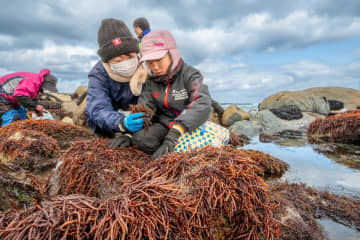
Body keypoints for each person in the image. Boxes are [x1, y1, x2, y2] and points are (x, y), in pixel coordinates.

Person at [132, 30, 212, 159]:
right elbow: (145, 107)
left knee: (191, 152)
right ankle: (166, 154)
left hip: (188, 125)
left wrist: (175, 133)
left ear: (172, 54)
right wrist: (129, 132)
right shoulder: (151, 82)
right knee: (140, 139)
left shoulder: (190, 75)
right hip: (165, 124)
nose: (155, 67)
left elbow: (202, 102)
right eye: (150, 63)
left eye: (159, 60)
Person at [86, 18, 147, 146]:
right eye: (118, 60)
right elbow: (98, 108)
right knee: (91, 115)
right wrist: (121, 123)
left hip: (140, 115)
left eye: (130, 57)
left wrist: (131, 135)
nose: (126, 63)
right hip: (114, 119)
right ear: (107, 61)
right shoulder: (98, 74)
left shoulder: (148, 66)